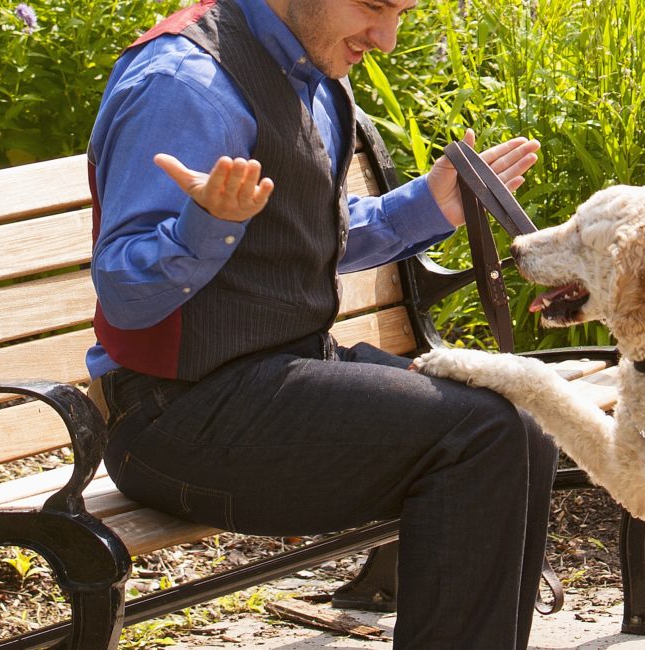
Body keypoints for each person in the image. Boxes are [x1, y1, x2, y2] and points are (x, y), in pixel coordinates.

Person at [85, 0, 554, 647]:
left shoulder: (314, 73)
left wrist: (428, 205)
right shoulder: (182, 83)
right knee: (478, 435)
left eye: (403, 13)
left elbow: (308, 233)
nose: (387, 39)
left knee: (523, 426)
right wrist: (205, 229)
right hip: (170, 419)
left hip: (280, 375)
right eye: (374, 7)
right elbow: (123, 294)